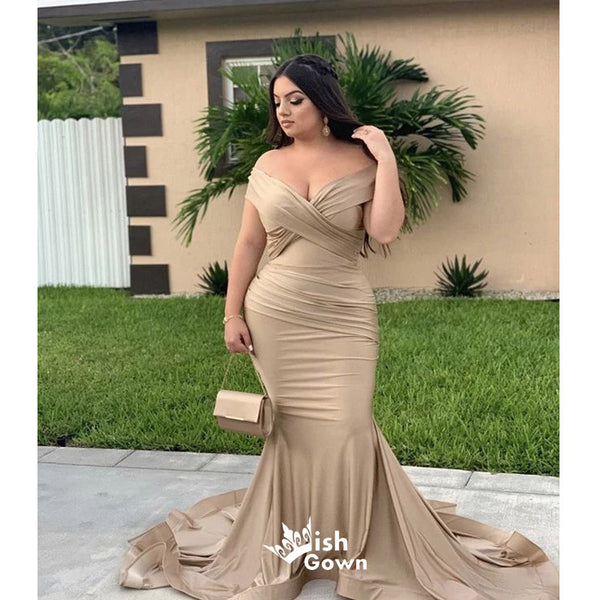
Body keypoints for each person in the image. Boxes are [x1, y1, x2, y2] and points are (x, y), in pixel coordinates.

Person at [118, 54, 559, 600]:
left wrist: (386, 158)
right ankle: (297, 548)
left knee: (349, 427)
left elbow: (385, 230)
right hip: (275, 313)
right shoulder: (267, 165)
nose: (283, 111)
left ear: (323, 103)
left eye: (295, 100)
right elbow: (249, 242)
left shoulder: (362, 159)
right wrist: (232, 313)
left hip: (343, 316)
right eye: (277, 102)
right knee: (293, 435)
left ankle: (353, 553)